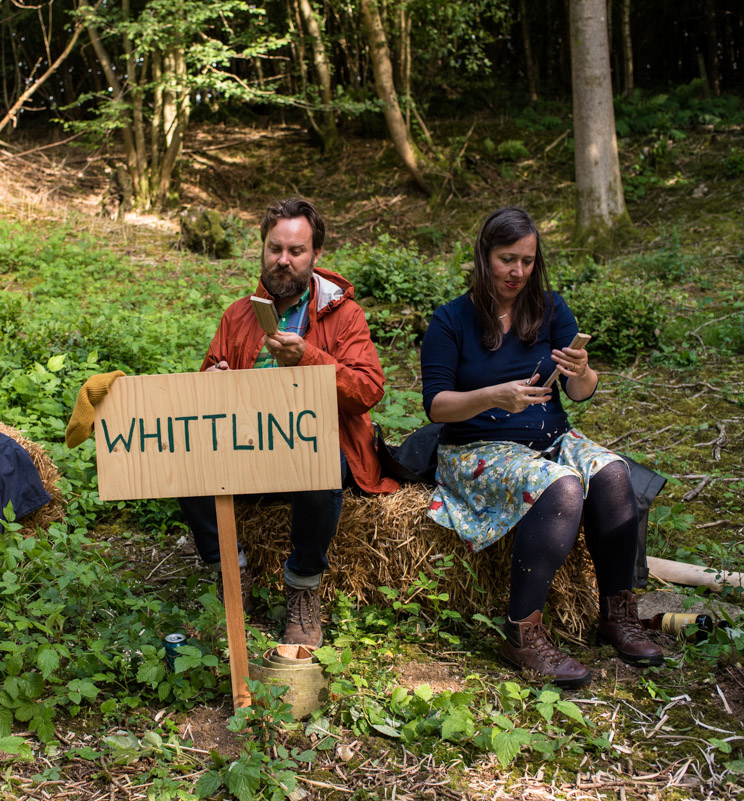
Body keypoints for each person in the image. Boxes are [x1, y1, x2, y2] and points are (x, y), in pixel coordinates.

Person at [420, 207, 663, 688]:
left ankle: (618, 613)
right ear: (483, 256)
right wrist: (494, 396)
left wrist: (582, 369)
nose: (518, 272)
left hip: (550, 437)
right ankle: (521, 632)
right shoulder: (450, 320)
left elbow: (579, 392)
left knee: (613, 473)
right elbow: (436, 406)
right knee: (563, 487)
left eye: (528, 261)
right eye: (507, 259)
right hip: (477, 448)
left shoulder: (550, 308)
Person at [177, 197, 399, 648]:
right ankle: (232, 573)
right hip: (246, 445)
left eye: (295, 251)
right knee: (182, 459)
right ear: (262, 248)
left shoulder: (344, 315)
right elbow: (203, 391)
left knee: (320, 468)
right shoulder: (239, 313)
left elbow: (369, 389)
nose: (283, 260)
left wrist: (310, 359)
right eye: (274, 248)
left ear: (316, 255)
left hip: (310, 447)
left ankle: (302, 587)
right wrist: (213, 379)